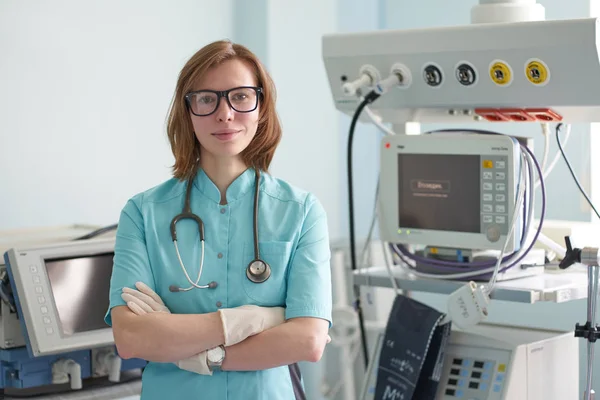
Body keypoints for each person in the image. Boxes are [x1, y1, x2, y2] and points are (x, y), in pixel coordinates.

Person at [104, 39, 333, 400]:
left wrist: (197, 352)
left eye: (240, 96)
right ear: (188, 110)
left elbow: (308, 340)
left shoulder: (301, 210)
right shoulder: (143, 212)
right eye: (207, 99)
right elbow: (131, 338)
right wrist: (254, 320)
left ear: (262, 106)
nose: (225, 114)